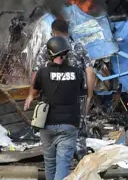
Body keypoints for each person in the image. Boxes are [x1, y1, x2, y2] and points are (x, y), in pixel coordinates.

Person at [31, 18, 95, 159]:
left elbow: (36, 73)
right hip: (78, 96)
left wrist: (34, 93)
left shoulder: (46, 49)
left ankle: (57, 161)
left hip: (52, 96)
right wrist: (89, 96)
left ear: (53, 33)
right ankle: (80, 162)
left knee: (54, 128)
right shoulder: (78, 47)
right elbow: (90, 72)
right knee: (78, 129)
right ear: (67, 31)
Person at [24, 36, 84, 180]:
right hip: (69, 125)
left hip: (47, 125)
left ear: (50, 54)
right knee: (62, 165)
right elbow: (81, 91)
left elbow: (35, 89)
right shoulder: (77, 73)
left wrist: (30, 97)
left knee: (50, 164)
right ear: (65, 54)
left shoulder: (42, 73)